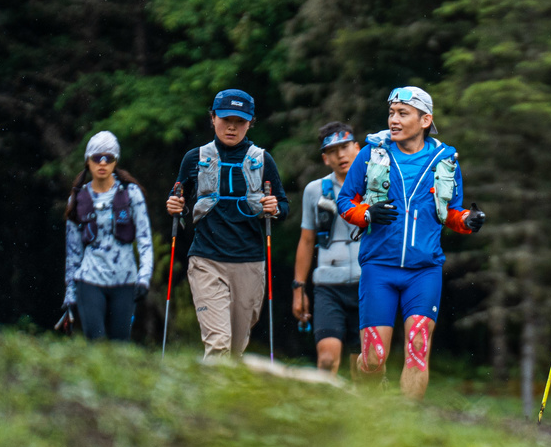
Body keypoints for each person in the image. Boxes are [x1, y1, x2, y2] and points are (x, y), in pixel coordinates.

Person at [336, 86, 485, 399]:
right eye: (392, 112)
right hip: (379, 267)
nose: (394, 119)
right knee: (375, 358)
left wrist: (468, 220)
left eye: (403, 113)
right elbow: (346, 201)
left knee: (418, 346)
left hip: (424, 270)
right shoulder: (371, 154)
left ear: (425, 119)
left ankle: (406, 427)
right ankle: (367, 395)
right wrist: (367, 213)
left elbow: (452, 213)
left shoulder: (446, 161)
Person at [164, 89, 288, 360]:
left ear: (250, 123)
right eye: (225, 119)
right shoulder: (194, 158)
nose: (232, 127)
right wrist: (176, 206)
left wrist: (274, 208)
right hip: (206, 261)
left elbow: (283, 206)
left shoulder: (263, 160)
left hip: (250, 263)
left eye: (240, 121)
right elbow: (179, 200)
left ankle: (225, 400)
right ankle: (208, 403)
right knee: (218, 343)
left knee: (234, 350)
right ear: (212, 118)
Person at [61, 131, 153, 342]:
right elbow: (73, 251)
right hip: (89, 280)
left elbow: (145, 239)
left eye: (108, 158)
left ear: (115, 161)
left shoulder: (131, 194)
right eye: (96, 158)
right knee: (98, 344)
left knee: (120, 346)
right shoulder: (78, 199)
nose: (102, 163)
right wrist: (70, 294)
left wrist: (144, 278)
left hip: (125, 280)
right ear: (88, 161)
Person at [293, 122, 363, 374]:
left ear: (358, 147)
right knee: (326, 360)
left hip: (369, 284)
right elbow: (306, 240)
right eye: (333, 151)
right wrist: (298, 289)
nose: (341, 155)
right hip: (328, 286)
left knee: (365, 365)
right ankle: (323, 410)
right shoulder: (315, 190)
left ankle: (360, 413)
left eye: (345, 147)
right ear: (325, 158)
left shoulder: (377, 186)